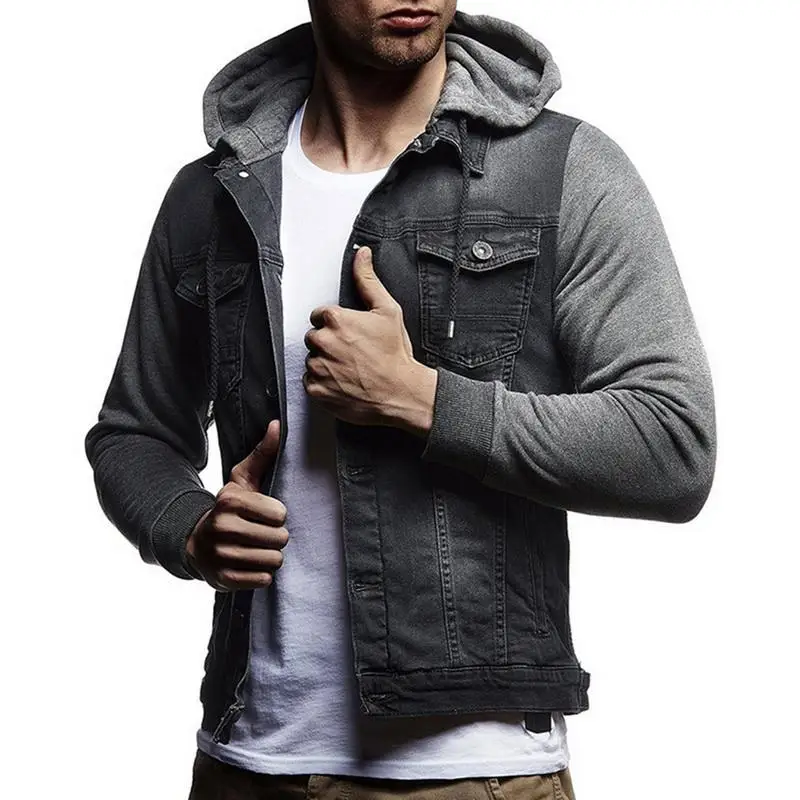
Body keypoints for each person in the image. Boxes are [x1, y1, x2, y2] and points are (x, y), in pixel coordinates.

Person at [84, 2, 716, 798]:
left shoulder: (563, 170)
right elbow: (133, 432)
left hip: (474, 773)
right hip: (247, 761)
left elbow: (674, 445)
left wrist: (422, 399)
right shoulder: (214, 194)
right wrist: (189, 528)